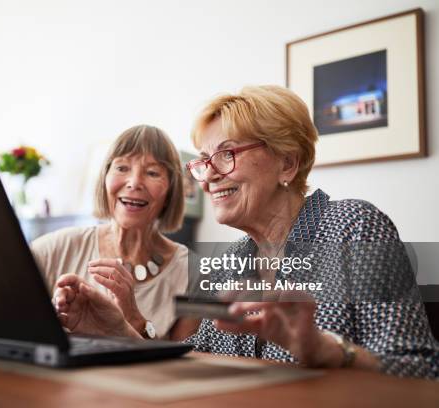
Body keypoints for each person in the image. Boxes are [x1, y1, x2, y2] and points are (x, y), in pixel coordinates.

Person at [54, 86, 439, 379]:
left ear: (287, 163)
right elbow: (192, 371)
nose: (209, 177)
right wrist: (120, 330)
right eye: (204, 162)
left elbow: (420, 369)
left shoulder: (354, 228)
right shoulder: (229, 263)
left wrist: (329, 353)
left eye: (226, 154)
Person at [31, 125, 197, 340]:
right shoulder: (53, 248)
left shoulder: (194, 273)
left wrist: (134, 320)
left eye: (152, 172)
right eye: (122, 168)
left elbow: (183, 369)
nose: (135, 182)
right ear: (105, 178)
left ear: (171, 190)